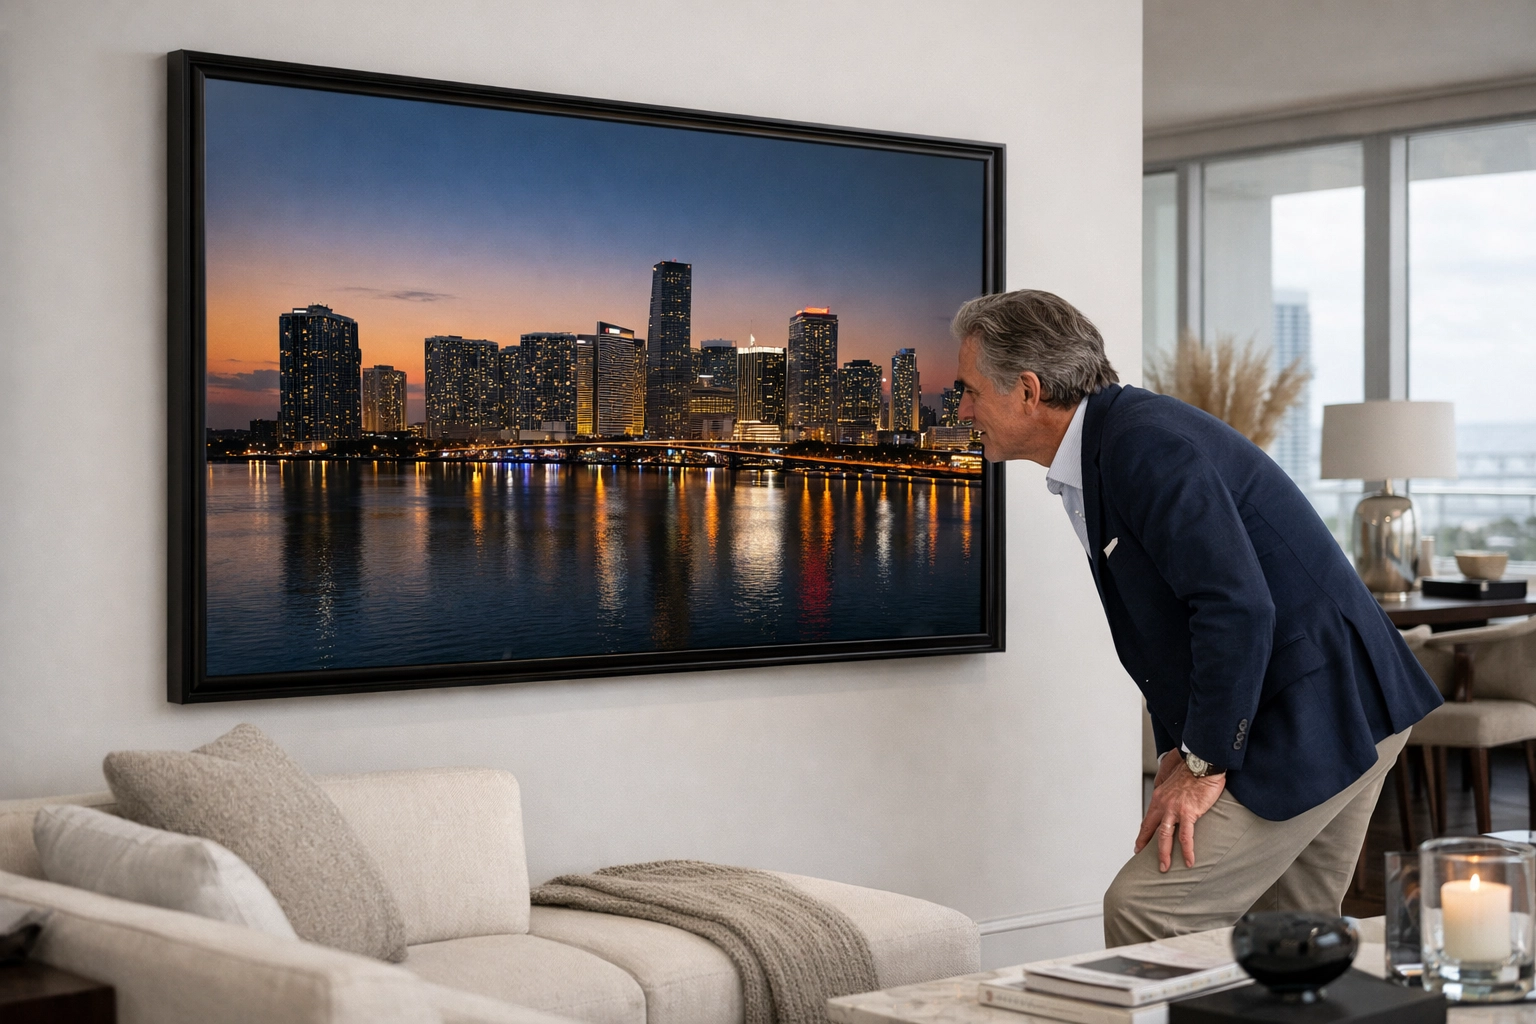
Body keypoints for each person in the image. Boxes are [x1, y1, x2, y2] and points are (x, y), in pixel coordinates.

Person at [952, 289, 1442, 944]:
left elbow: (1235, 606)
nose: (960, 409)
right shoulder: (1114, 440)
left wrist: (1203, 760)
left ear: (1029, 392)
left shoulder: (1141, 447)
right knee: (1290, 940)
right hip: (1345, 697)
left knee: (1146, 906)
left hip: (1316, 706)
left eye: (969, 390)